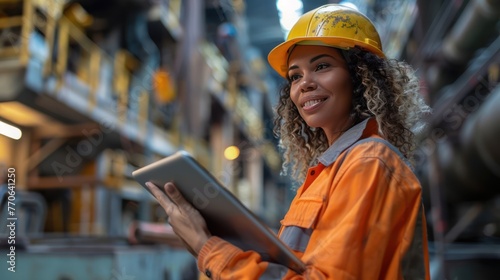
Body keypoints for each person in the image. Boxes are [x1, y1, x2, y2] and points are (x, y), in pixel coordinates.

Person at [145, 4, 431, 279]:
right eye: (295, 76)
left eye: (321, 66)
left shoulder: (368, 163)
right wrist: (214, 239)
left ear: (360, 77)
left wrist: (208, 249)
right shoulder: (329, 170)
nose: (304, 83)